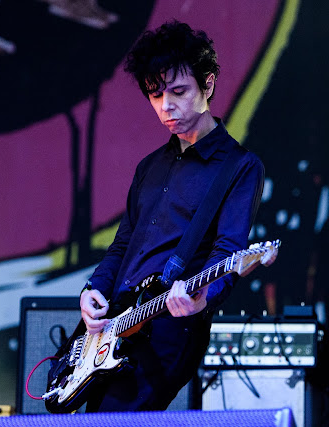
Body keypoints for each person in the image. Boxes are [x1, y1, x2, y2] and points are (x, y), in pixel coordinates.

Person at [79, 20, 272, 412]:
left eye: (179, 91)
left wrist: (202, 299)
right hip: (112, 329)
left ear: (209, 84)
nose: (166, 106)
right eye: (155, 94)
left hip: (168, 330)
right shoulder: (149, 167)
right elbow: (123, 245)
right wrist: (93, 288)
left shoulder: (239, 167)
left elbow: (228, 250)